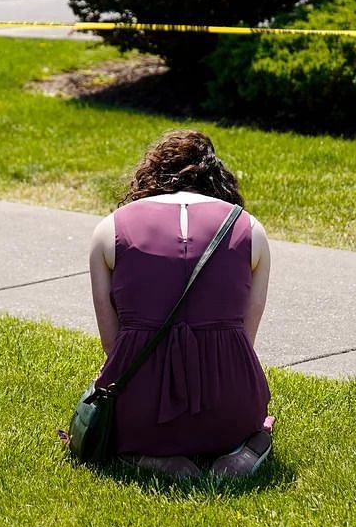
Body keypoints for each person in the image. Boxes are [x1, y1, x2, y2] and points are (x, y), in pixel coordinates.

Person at [87, 130, 273, 479]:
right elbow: (244, 342)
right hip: (231, 406)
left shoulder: (109, 229)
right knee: (252, 424)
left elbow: (113, 346)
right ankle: (244, 452)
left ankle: (151, 456)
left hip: (141, 411)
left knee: (122, 417)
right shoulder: (250, 229)